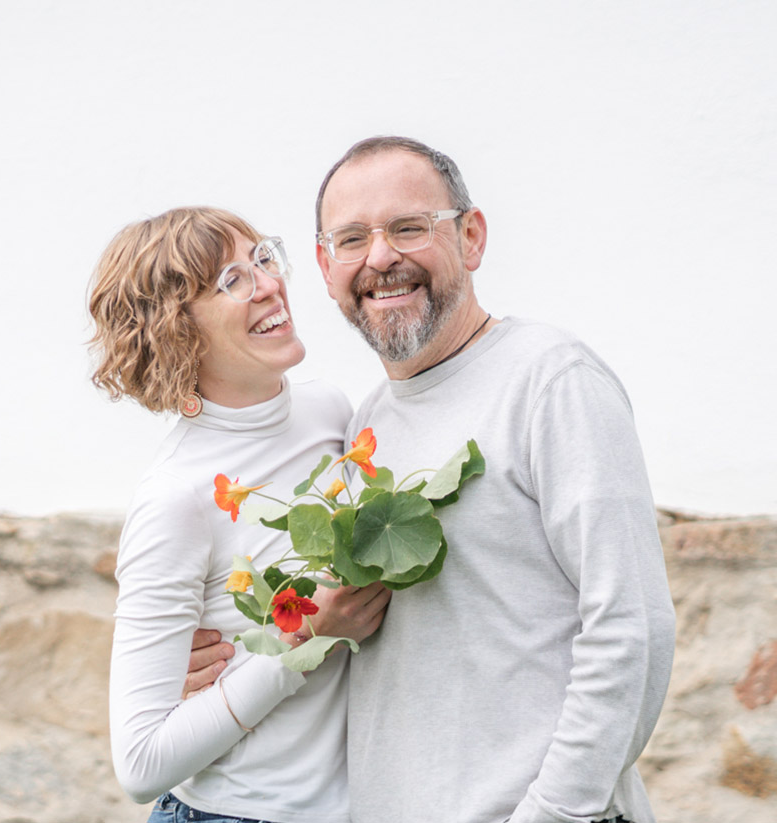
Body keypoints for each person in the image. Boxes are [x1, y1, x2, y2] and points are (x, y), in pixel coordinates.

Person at [187, 138, 677, 823]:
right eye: (352, 238)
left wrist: (554, 815)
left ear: (471, 237)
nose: (381, 257)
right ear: (326, 269)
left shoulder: (550, 379)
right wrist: (215, 664)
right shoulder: (367, 430)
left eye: (410, 227)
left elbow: (632, 626)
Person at [88, 206, 392, 823]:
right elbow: (141, 766)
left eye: (263, 258)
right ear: (179, 331)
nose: (270, 284)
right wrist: (303, 639)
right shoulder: (176, 497)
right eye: (232, 281)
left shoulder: (333, 414)